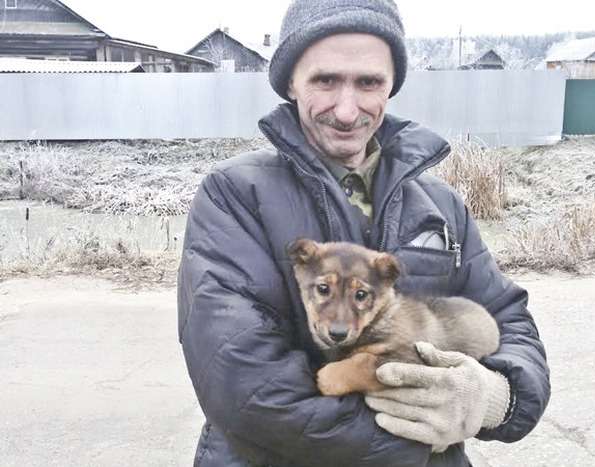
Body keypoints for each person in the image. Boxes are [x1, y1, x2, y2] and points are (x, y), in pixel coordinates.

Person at [177, 1, 550, 466]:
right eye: (325, 80)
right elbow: (245, 386)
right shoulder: (235, 194)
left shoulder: (442, 203)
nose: (348, 110)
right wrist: (417, 438)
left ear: (391, 85)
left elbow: (508, 318)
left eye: (368, 82)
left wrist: (497, 398)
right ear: (291, 82)